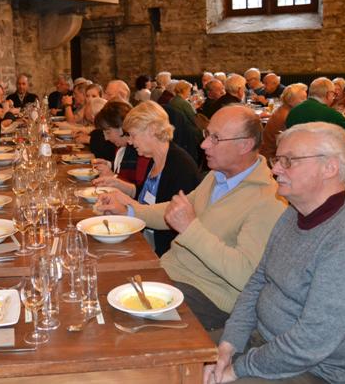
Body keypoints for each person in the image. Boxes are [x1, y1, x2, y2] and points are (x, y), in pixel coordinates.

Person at [206, 122, 345, 384]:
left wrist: (237, 370)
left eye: (288, 161)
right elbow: (259, 279)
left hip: (323, 372)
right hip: (266, 344)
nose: (275, 169)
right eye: (277, 159)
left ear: (330, 168)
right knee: (178, 357)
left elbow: (310, 342)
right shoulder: (295, 210)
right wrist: (229, 344)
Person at [97, 105, 286, 330]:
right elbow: (173, 209)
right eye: (207, 135)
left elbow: (245, 274)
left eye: (215, 138)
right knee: (98, 290)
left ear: (244, 145)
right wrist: (128, 211)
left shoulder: (269, 200)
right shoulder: (217, 177)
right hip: (171, 273)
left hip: (209, 296)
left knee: (115, 323)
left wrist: (190, 228)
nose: (204, 144)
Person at [99, 101, 200, 255]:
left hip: (165, 251)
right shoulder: (154, 158)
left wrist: (128, 205)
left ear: (152, 130)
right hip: (144, 237)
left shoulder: (180, 166)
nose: (130, 142)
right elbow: (147, 195)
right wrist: (121, 189)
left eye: (133, 135)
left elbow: (170, 218)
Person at [91, 101, 150, 198]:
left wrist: (112, 176)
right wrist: (109, 164)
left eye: (108, 132)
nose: (106, 138)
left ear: (122, 127)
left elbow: (139, 190)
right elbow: (121, 167)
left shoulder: (138, 151)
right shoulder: (121, 147)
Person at [285, 77, 345, 146]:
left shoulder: (293, 111)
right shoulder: (329, 113)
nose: (333, 97)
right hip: (321, 158)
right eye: (333, 94)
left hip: (296, 157)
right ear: (328, 94)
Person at [258, 83, 307, 160]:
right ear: (291, 100)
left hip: (269, 153)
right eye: (302, 98)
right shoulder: (287, 116)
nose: (305, 102)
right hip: (273, 157)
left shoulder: (283, 109)